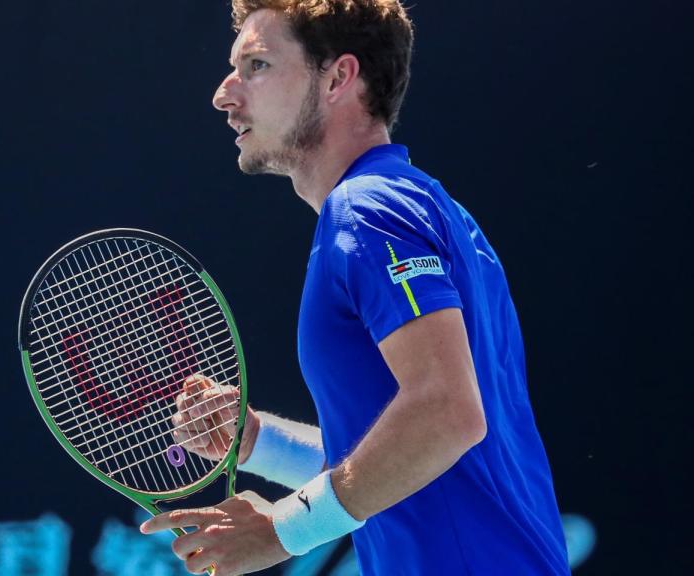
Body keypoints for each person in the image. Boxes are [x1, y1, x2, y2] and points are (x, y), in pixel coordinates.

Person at [139, 2, 570, 575]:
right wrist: (259, 442)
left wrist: (282, 529)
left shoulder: (366, 211)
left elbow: (447, 414)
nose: (225, 93)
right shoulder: (423, 206)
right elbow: (411, 466)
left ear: (339, 77)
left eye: (258, 65)